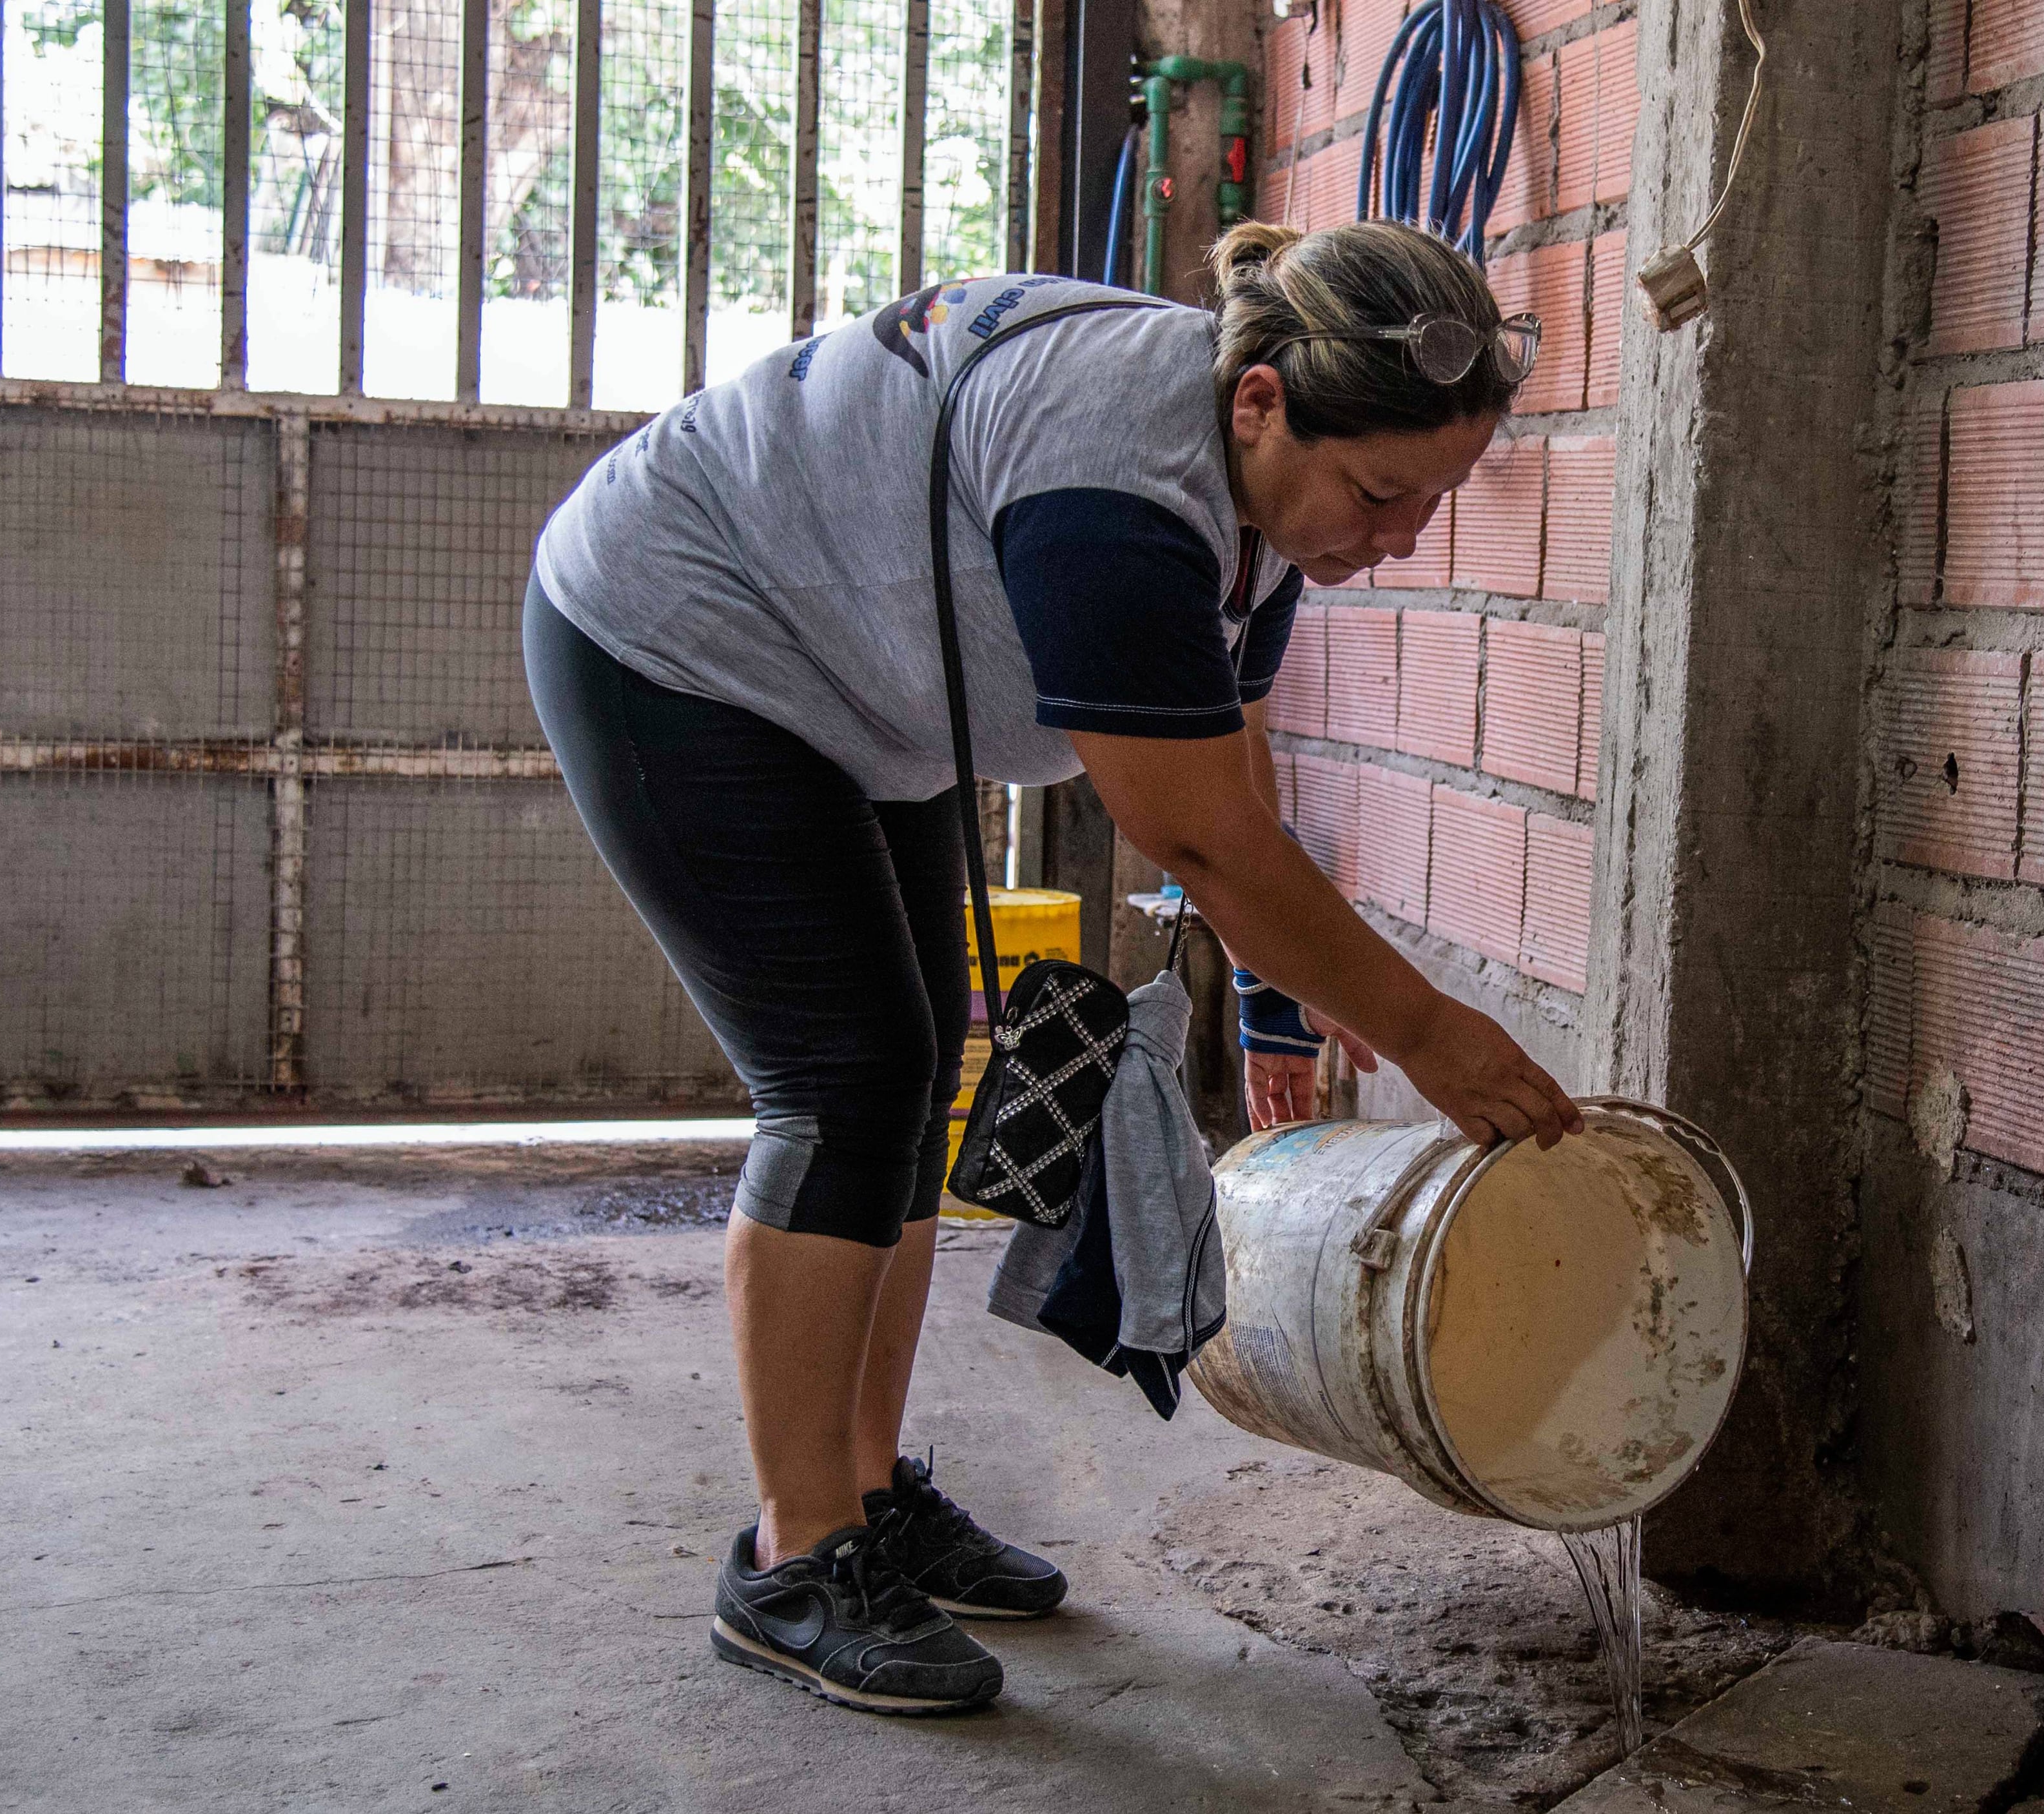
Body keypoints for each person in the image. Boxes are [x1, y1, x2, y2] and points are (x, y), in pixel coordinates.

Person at [520, 219, 1584, 1717]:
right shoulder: (1118, 485)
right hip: (682, 642)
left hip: (848, 691)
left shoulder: (1251, 497)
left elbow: (1232, 764)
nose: (1398, 538)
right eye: (1381, 494)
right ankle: (793, 1557)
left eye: (1432, 503)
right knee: (842, 1086)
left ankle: (864, 1495)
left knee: (892, 1084)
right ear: (1262, 403)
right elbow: (1197, 837)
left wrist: (1288, 998)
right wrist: (1425, 1030)